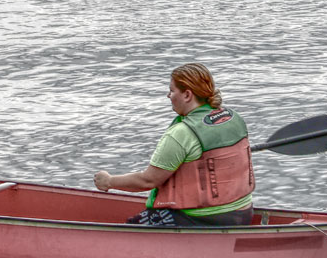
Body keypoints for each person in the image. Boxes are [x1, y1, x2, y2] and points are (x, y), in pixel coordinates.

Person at [93, 63, 255, 226]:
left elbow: (148, 181)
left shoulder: (182, 133)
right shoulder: (234, 118)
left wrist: (109, 181)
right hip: (244, 213)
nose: (168, 95)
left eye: (172, 90)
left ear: (187, 95)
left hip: (202, 218)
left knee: (131, 227)